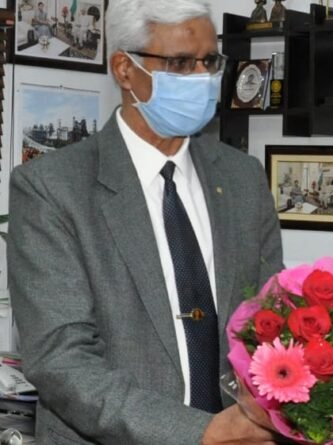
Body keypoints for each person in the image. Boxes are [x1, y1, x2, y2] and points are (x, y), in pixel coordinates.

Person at [8, 1, 284, 444]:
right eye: (180, 63)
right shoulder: (52, 188)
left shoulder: (243, 178)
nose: (201, 78)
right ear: (124, 69)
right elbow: (61, 359)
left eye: (209, 61)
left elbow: (272, 319)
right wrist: (199, 433)